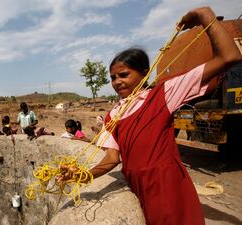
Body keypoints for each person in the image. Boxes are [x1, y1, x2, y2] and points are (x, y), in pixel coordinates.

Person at [57, 7, 241, 225]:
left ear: (144, 73)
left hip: (168, 185)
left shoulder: (164, 93)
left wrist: (205, 17)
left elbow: (230, 56)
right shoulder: (113, 116)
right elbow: (111, 160)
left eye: (123, 75)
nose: (117, 82)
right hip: (138, 188)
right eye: (113, 77)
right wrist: (81, 176)